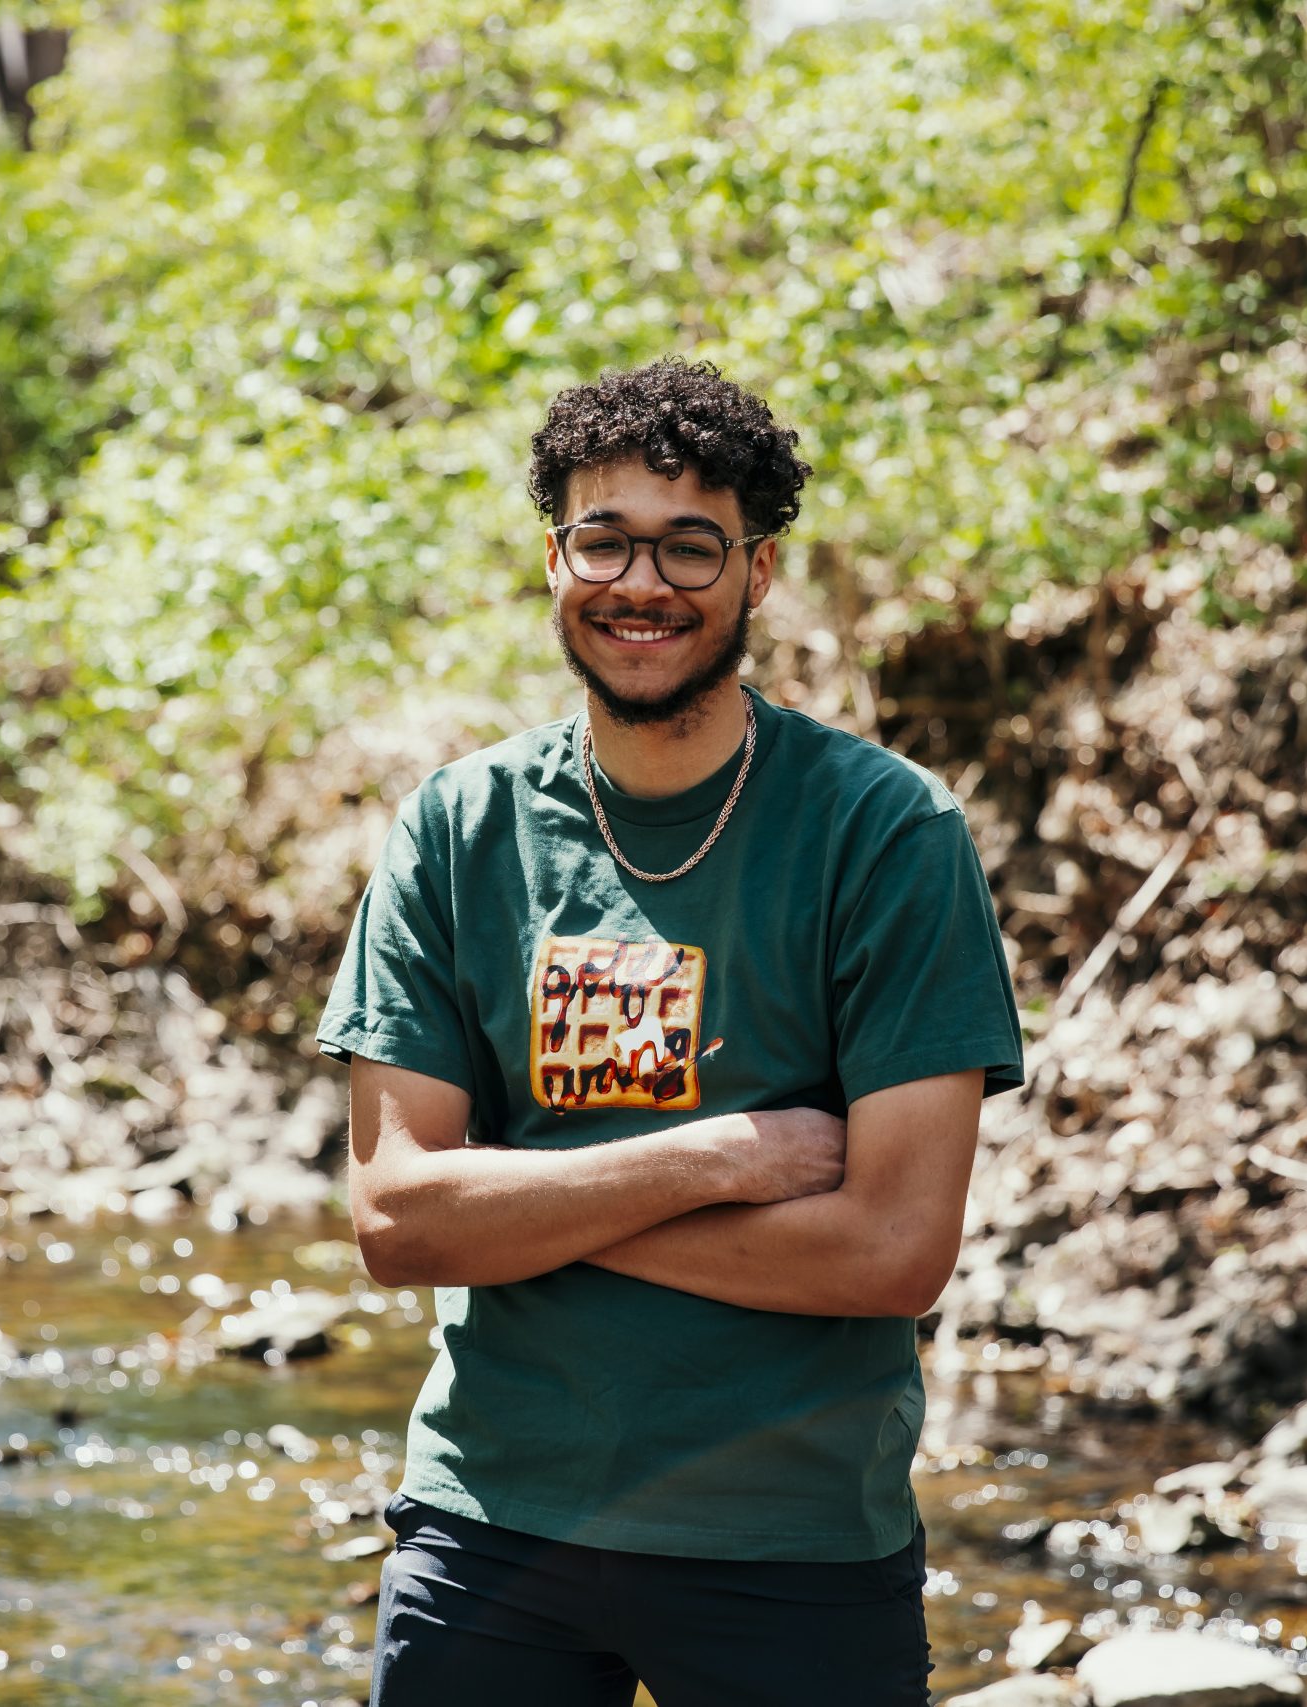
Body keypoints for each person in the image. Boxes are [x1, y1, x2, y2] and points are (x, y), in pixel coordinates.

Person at [316, 358, 1024, 1706]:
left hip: (792, 1546)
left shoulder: (884, 835)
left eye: (692, 546)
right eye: (605, 539)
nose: (642, 584)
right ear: (553, 558)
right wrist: (717, 1159)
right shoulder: (461, 827)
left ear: (758, 573)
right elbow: (401, 1223)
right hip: (489, 1526)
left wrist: (531, 1218)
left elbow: (892, 1252)